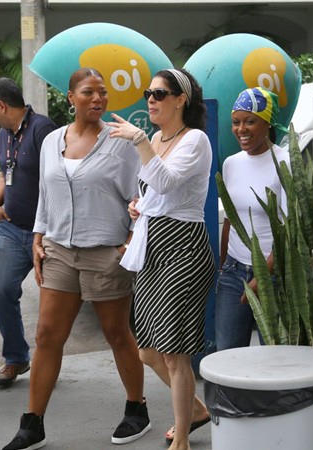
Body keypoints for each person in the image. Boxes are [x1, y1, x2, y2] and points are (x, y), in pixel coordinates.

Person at [3, 68, 149, 450]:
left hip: (105, 252)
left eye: (102, 93)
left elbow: (144, 196)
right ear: (70, 97)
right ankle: (32, 424)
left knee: (117, 334)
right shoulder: (51, 140)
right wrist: (38, 236)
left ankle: (137, 408)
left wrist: (128, 243)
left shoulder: (119, 144)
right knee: (47, 336)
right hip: (59, 251)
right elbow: (45, 195)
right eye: (88, 92)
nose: (97, 99)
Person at [109, 68, 215, 450]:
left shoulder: (196, 140)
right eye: (147, 93)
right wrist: (140, 206)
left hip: (183, 247)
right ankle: (198, 410)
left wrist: (138, 141)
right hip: (153, 245)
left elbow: (168, 181)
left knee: (174, 353)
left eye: (158, 93)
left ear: (180, 99)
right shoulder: (156, 138)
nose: (150, 99)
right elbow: (157, 189)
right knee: (148, 351)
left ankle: (182, 440)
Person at [0, 78, 57, 387]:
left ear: (2, 106)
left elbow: (56, 178)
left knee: (54, 303)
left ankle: (49, 363)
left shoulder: (43, 129)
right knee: (2, 291)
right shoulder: (4, 134)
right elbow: (6, 171)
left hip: (47, 232)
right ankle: (16, 358)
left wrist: (46, 231)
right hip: (12, 229)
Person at [215, 87, 290, 351]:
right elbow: (230, 219)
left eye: (250, 121)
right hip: (234, 272)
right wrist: (223, 266)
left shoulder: (285, 163)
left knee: (274, 356)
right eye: (236, 122)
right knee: (226, 354)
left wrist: (260, 279)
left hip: (273, 275)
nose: (241, 129)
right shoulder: (231, 163)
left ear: (268, 123)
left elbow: (288, 233)